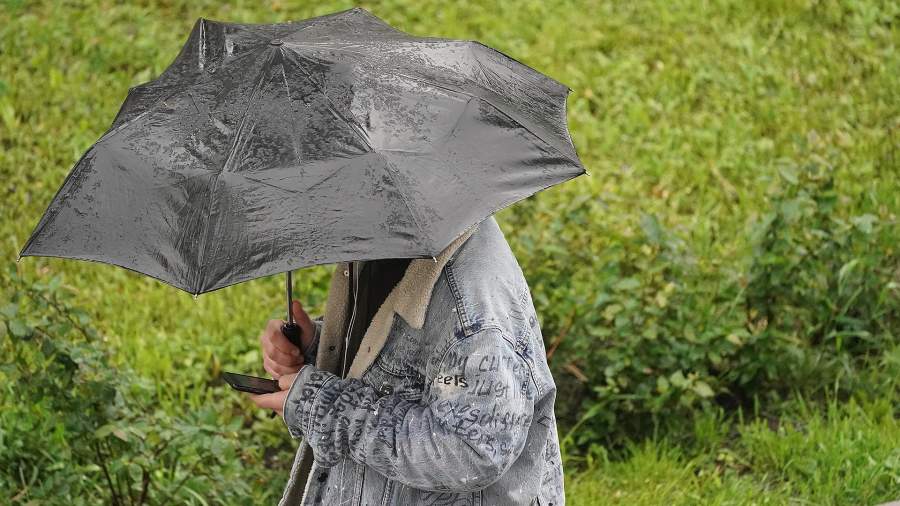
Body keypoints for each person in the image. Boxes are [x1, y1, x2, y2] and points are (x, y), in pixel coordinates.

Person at [250, 216, 564, 505]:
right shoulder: (394, 232)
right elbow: (410, 360)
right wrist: (317, 346)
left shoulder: (472, 305)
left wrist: (332, 409)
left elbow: (474, 449)